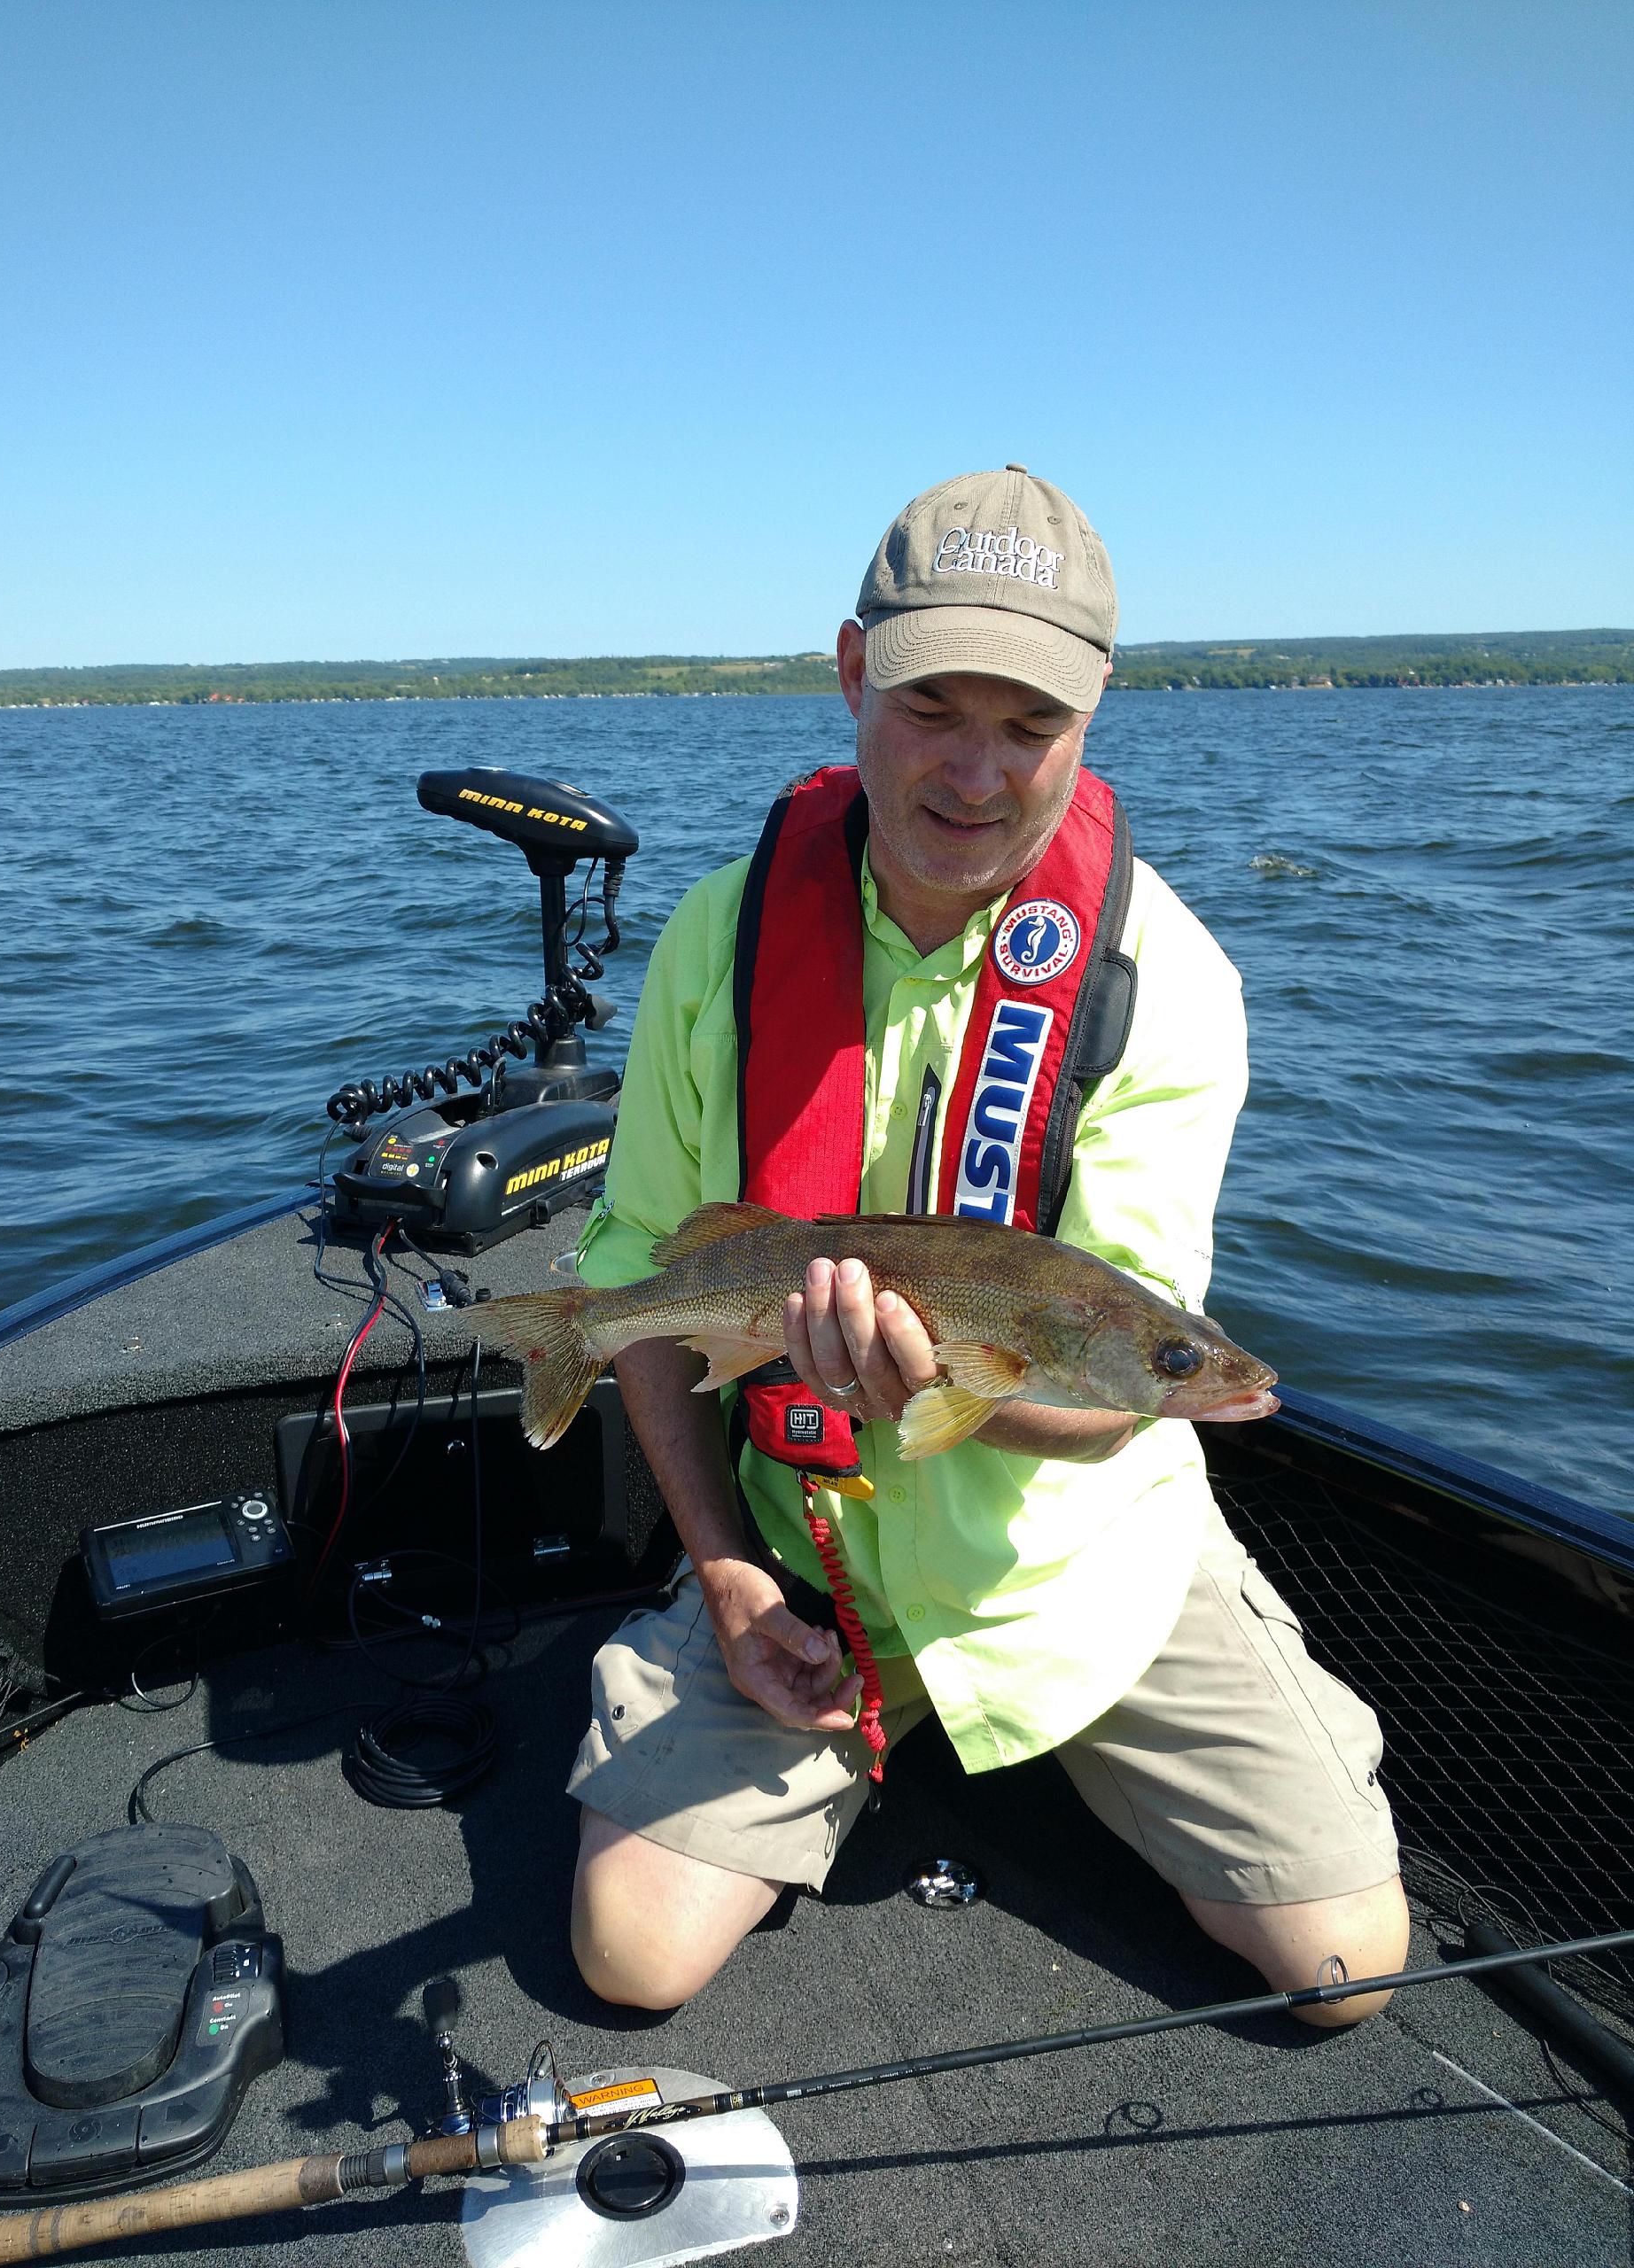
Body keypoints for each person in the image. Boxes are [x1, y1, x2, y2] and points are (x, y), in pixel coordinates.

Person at [564, 465, 1408, 2022]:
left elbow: (1116, 1391)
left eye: (1029, 726)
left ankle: (1001, 1736)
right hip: (807, 1544)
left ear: (1091, 722)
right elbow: (648, 1283)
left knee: (1346, 1970)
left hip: (1082, 1576)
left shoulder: (1167, 980)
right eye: (933, 707)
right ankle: (825, 1705)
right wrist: (730, 1578)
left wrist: (930, 1390)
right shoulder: (716, 941)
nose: (975, 771)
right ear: (848, 675)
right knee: (628, 1955)